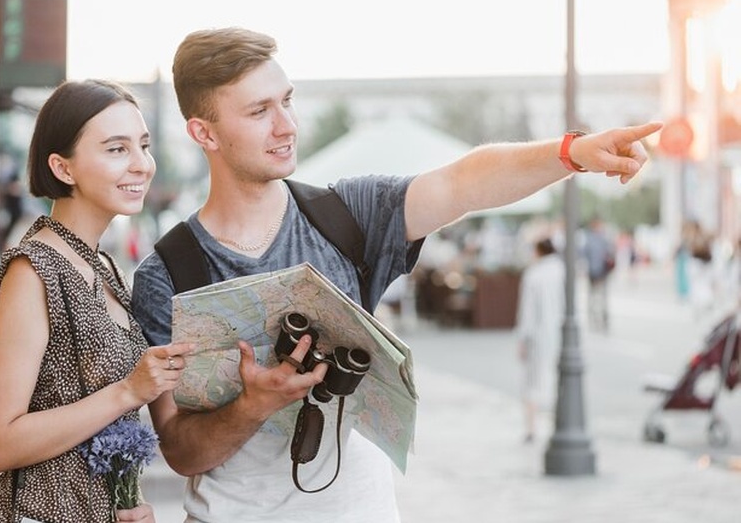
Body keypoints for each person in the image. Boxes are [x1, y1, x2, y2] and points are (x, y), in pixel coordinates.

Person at [130, 27, 662, 523]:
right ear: (204, 132)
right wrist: (254, 403)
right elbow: (179, 449)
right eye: (259, 110)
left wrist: (571, 153)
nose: (287, 125)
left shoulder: (346, 216)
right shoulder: (167, 275)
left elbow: (463, 184)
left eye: (287, 100)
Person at [0, 79, 192, 523]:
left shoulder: (104, 266)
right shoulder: (32, 271)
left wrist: (124, 502)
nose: (142, 165)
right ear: (63, 168)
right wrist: (129, 390)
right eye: (116, 149)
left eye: (143, 146)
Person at [515, 238, 565, 443]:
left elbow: (526, 311)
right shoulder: (562, 271)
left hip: (537, 335)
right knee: (556, 381)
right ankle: (556, 425)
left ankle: (531, 428)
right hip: (559, 334)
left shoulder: (533, 275)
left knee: (532, 383)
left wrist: (522, 339)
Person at [581, 216, 615, 332]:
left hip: (601, 273)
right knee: (595, 298)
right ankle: (595, 319)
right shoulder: (593, 238)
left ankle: (601, 319)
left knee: (600, 298)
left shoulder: (602, 238)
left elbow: (610, 254)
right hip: (594, 273)